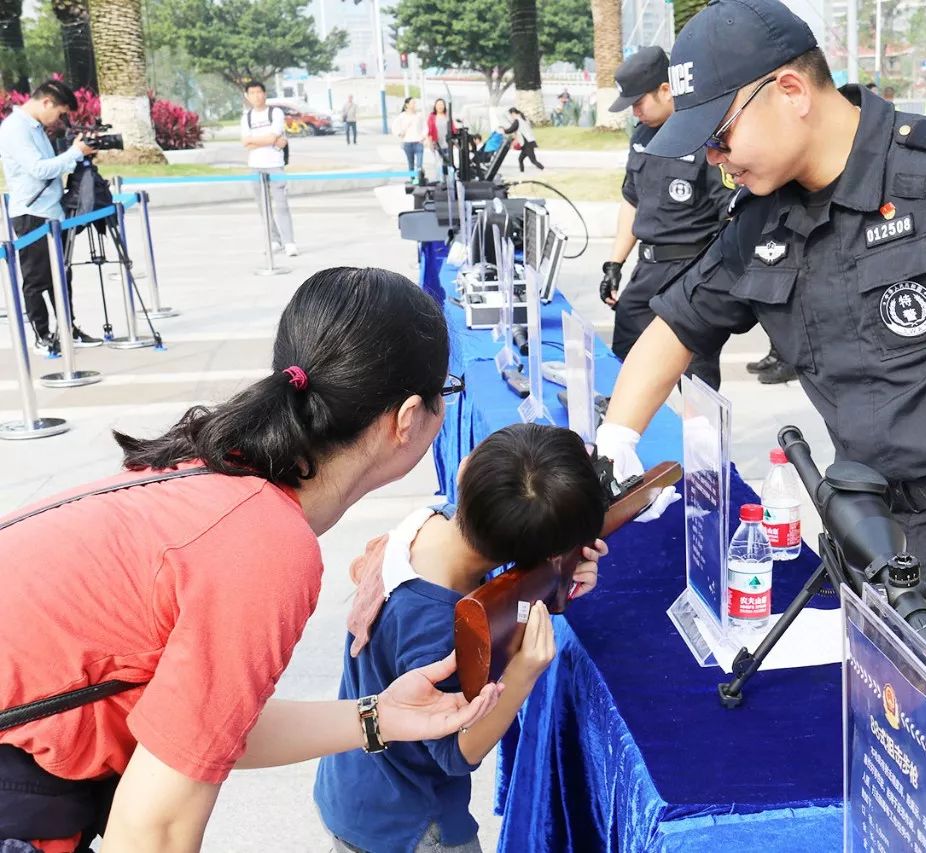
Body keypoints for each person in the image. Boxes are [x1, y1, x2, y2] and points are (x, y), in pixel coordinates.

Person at [592, 0, 926, 836]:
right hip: (882, 547)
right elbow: (678, 322)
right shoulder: (762, 220)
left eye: (721, 136)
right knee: (922, 792)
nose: (717, 162)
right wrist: (616, 436)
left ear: (790, 90)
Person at [0, 267, 503, 852]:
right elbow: (154, 832)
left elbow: (199, 723)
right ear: (410, 418)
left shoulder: (212, 469)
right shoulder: (262, 545)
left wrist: (378, 717)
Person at [314, 423, 610, 853]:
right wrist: (525, 671)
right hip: (411, 827)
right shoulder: (438, 623)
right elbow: (457, 753)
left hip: (355, 787)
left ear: (467, 469)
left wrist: (557, 579)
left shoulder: (429, 524)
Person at [599, 45, 733, 390]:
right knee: (624, 364)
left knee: (696, 383)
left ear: (666, 89)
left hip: (691, 272)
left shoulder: (709, 137)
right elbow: (632, 200)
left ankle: (700, 445)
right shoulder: (642, 136)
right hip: (647, 270)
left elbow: (731, 216)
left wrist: (712, 279)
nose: (635, 112)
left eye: (639, 102)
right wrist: (615, 263)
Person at [0, 78, 102, 352]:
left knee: (62, 275)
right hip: (32, 214)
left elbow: (51, 167)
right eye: (59, 113)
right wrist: (73, 152)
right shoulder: (14, 129)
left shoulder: (35, 127)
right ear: (47, 102)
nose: (59, 120)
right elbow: (40, 169)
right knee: (37, 279)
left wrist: (78, 156)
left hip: (53, 213)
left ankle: (68, 329)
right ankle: (42, 335)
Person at [240, 80, 298, 257]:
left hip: (275, 165)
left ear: (264, 93)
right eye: (252, 93)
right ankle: (274, 240)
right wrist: (269, 140)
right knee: (263, 207)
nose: (256, 96)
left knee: (281, 204)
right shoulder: (247, 117)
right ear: (247, 96)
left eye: (259, 92)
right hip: (255, 167)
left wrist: (256, 140)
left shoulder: (276, 113)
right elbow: (246, 143)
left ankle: (289, 242)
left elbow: (274, 136)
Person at [393, 97, 427, 175]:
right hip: (407, 143)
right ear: (407, 105)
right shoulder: (402, 116)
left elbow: (425, 126)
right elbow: (394, 126)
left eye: (415, 103)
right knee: (411, 165)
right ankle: (413, 181)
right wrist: (399, 133)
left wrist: (423, 136)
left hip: (418, 143)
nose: (414, 104)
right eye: (412, 103)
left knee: (419, 165)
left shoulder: (419, 115)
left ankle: (419, 180)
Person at [503, 108, 544, 172]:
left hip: (527, 143)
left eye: (510, 115)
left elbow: (511, 130)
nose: (511, 117)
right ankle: (522, 173)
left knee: (533, 160)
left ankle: (544, 169)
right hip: (527, 143)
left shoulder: (517, 121)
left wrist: (504, 130)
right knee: (520, 159)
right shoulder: (523, 120)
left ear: (513, 113)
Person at [426, 98, 456, 177]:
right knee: (439, 164)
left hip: (448, 144)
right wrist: (430, 143)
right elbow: (429, 131)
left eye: (442, 104)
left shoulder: (447, 116)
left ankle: (448, 180)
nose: (440, 106)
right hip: (437, 144)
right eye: (438, 104)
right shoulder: (432, 117)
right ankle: (441, 181)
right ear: (435, 106)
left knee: (448, 164)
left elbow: (453, 129)